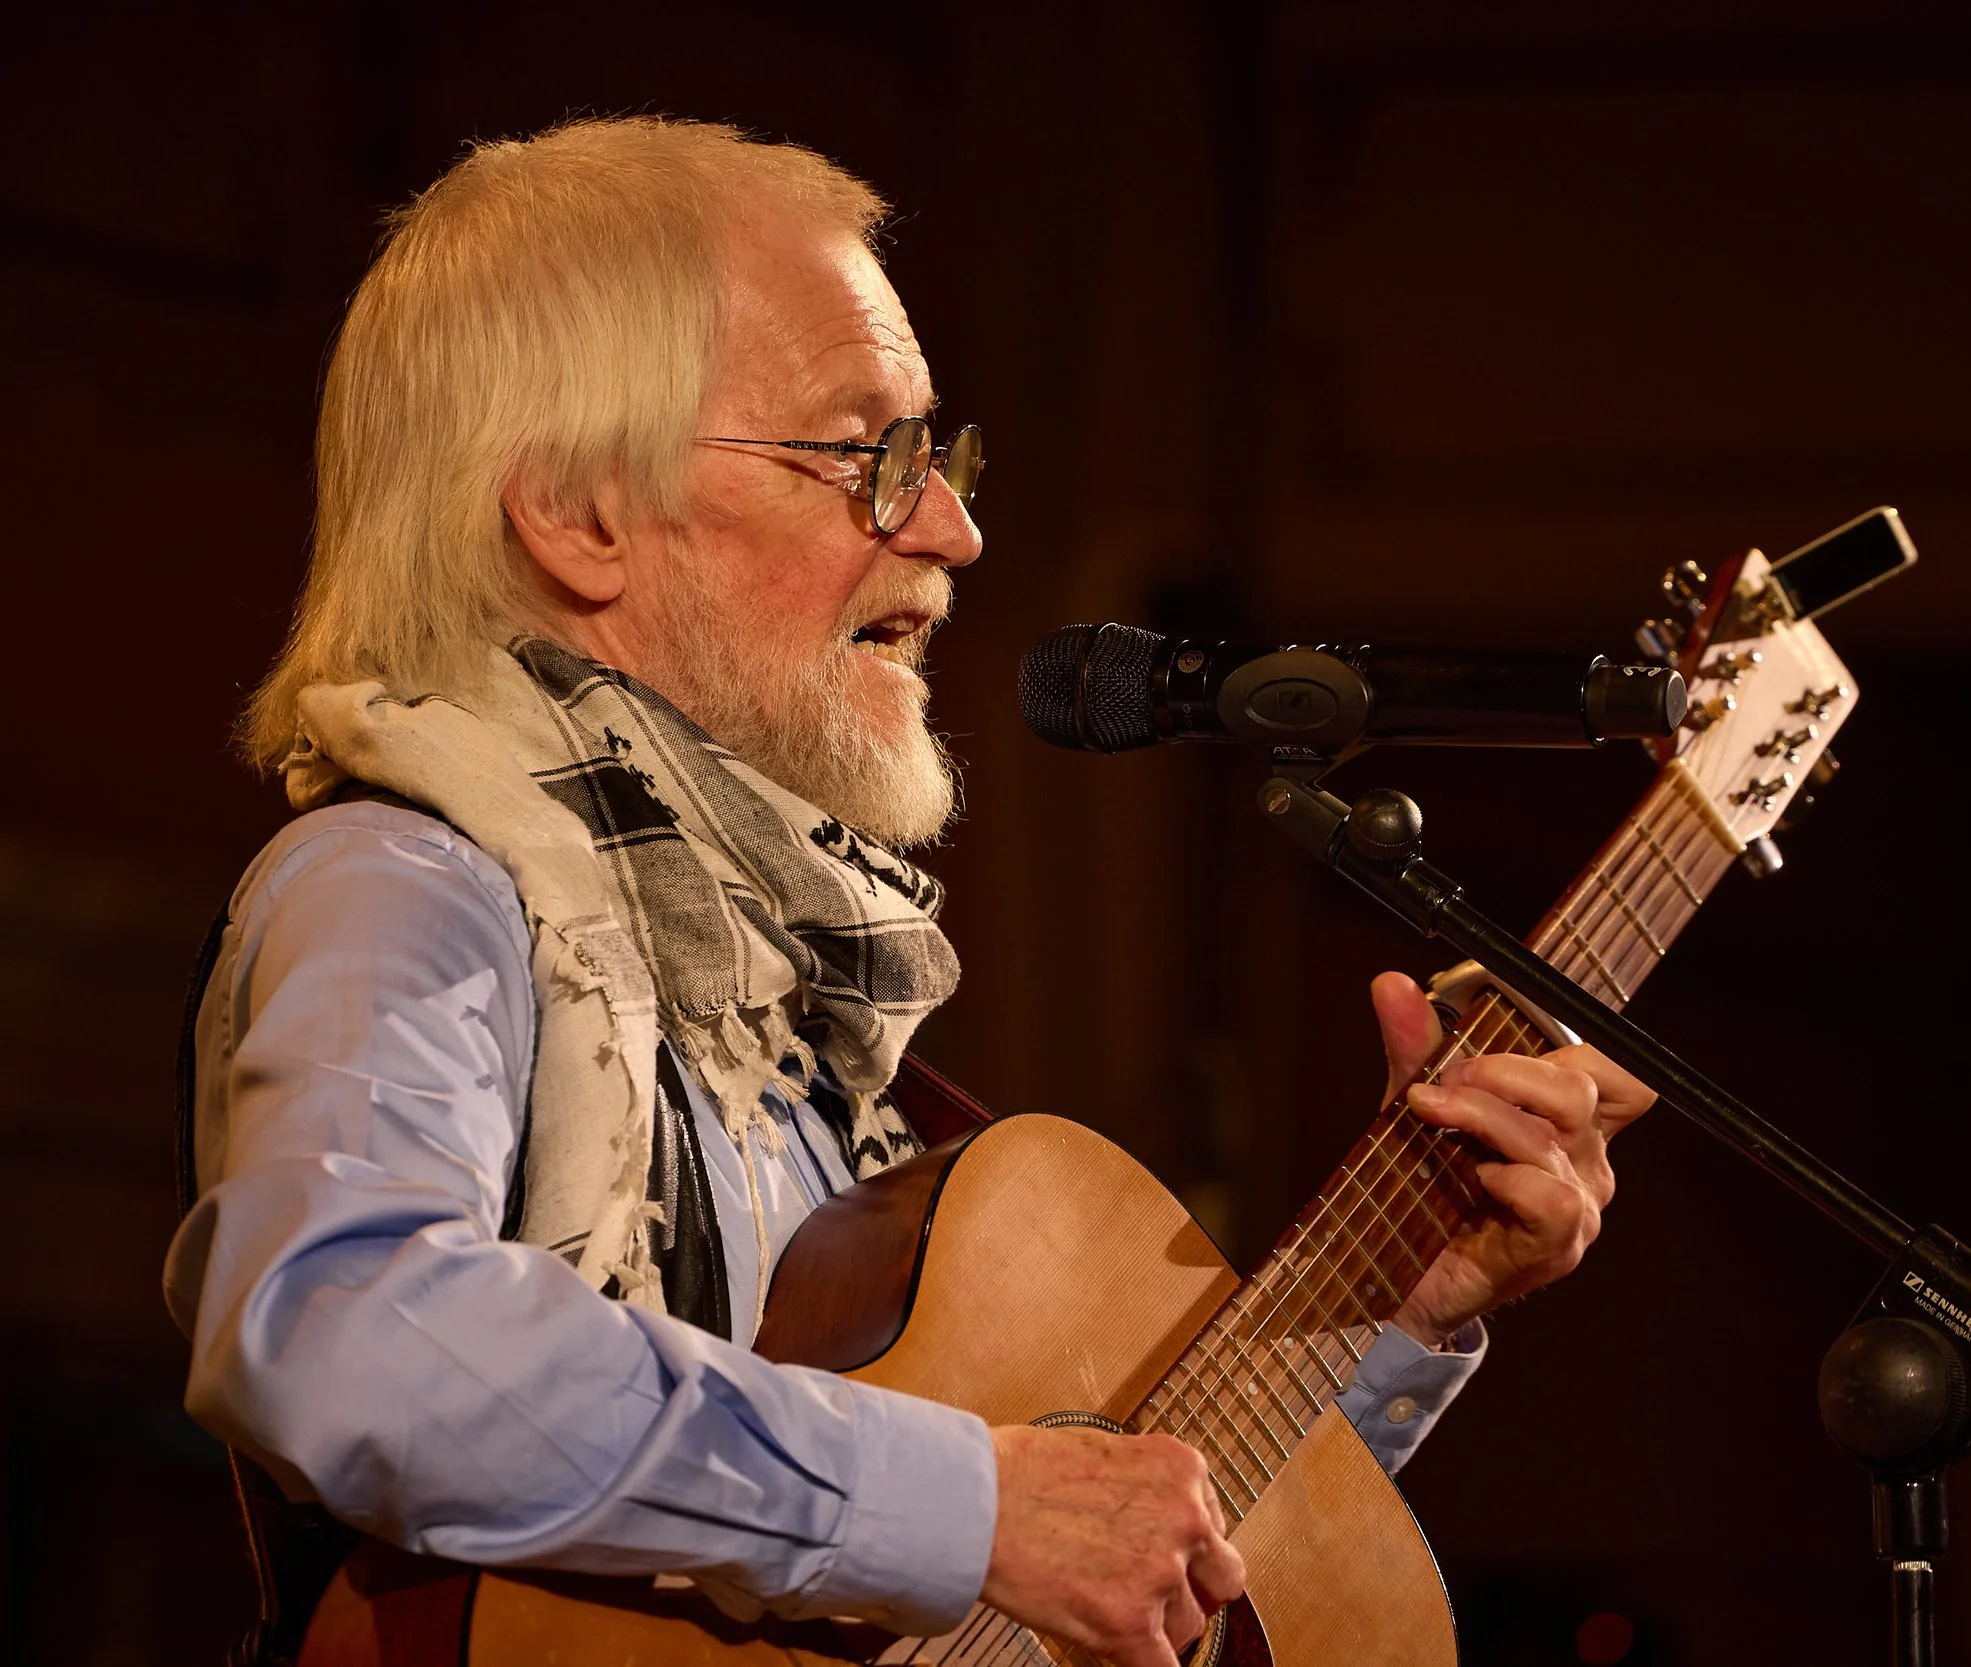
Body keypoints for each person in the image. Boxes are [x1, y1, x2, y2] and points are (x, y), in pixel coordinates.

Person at [163, 115, 1651, 1667]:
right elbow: (341, 1326)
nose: (953, 529)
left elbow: (1064, 1569)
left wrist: (1383, 1303)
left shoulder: (791, 1000)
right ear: (580, 513)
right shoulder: (409, 880)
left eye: (939, 456)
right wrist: (973, 1508)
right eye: (866, 456)